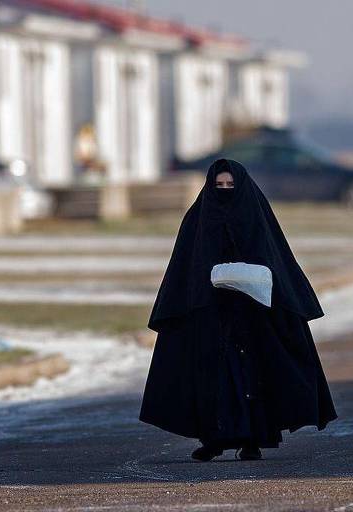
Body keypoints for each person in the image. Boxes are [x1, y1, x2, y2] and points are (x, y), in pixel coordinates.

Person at [138, 158, 337, 461]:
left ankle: (252, 440)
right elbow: (186, 264)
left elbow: (274, 258)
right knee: (213, 376)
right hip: (211, 313)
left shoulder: (255, 214)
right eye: (219, 186)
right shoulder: (200, 217)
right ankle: (213, 439)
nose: (225, 190)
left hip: (252, 314)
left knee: (251, 376)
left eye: (231, 185)